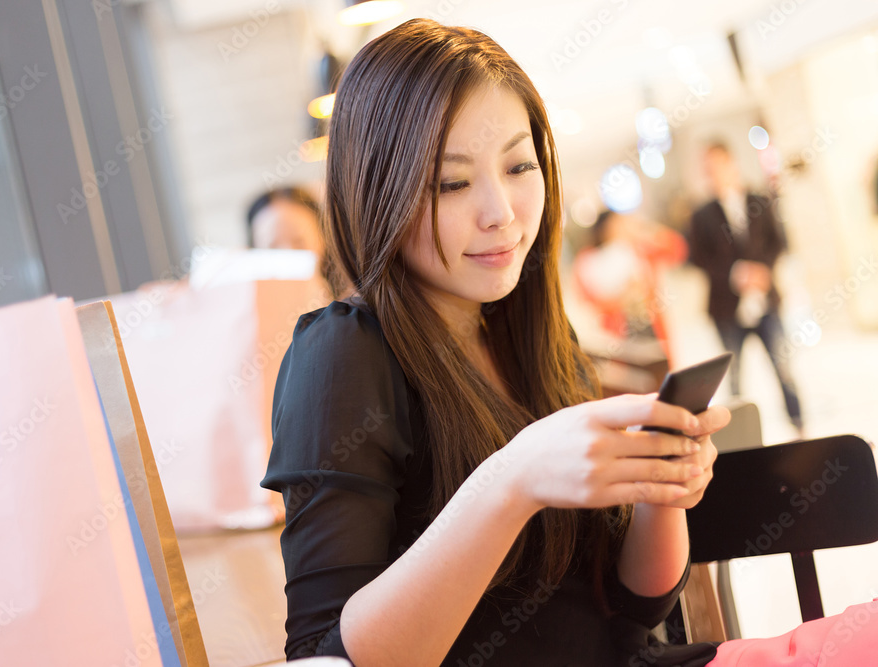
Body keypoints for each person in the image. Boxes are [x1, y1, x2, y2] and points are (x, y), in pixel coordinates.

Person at [262, 19, 876, 667]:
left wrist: (658, 494)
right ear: (377, 191)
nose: (500, 210)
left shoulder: (532, 336)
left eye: (519, 165)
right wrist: (510, 480)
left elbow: (634, 605)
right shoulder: (342, 352)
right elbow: (324, 659)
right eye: (451, 182)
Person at [688, 142, 804, 436]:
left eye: (719, 166)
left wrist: (760, 270)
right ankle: (741, 437)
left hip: (765, 301)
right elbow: (698, 258)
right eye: (709, 170)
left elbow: (777, 241)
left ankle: (799, 426)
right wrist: (733, 274)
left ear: (732, 164)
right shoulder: (701, 215)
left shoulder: (759, 201)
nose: (715, 174)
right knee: (735, 377)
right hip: (727, 309)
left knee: (784, 368)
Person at [572, 209, 687, 362]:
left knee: (663, 370)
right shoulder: (588, 259)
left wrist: (649, 229)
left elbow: (677, 249)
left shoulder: (637, 247)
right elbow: (586, 299)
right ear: (605, 227)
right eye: (619, 223)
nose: (625, 227)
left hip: (652, 326)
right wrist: (622, 299)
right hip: (619, 334)